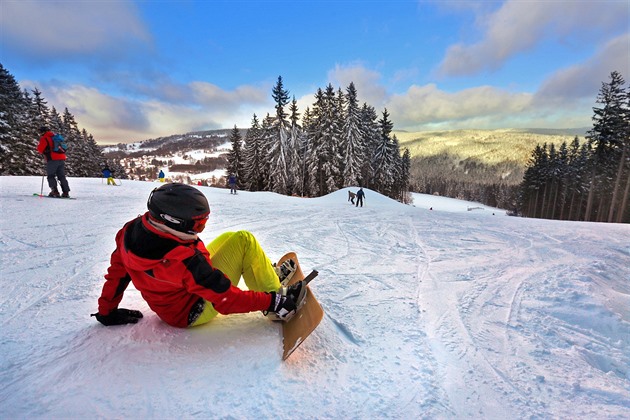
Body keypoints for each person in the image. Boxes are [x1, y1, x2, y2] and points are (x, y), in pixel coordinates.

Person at [91, 183, 303, 328]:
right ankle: (278, 300)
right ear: (173, 221)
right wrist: (270, 302)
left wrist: (107, 312)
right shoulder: (185, 261)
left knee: (233, 237)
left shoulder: (130, 232)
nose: (202, 227)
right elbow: (226, 299)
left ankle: (261, 271)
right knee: (244, 240)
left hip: (173, 301)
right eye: (199, 223)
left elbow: (117, 275)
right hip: (193, 311)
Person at [36, 126, 70, 198]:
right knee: (61, 176)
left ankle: (55, 192)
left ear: (43, 132)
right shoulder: (55, 136)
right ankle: (66, 192)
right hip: (61, 158)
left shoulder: (44, 138)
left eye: (40, 132)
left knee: (51, 175)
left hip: (52, 159)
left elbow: (40, 149)